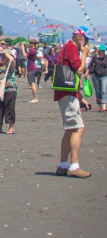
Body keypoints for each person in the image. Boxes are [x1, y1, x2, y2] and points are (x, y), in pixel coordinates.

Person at [54, 28, 92, 178]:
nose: (87, 43)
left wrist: (80, 97)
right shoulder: (71, 48)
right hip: (67, 94)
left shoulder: (67, 47)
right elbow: (78, 70)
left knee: (70, 129)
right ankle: (74, 166)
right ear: (79, 38)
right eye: (86, 40)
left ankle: (63, 165)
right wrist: (85, 55)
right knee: (77, 128)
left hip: (66, 92)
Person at [88, 44, 107, 112]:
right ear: (99, 50)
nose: (102, 52)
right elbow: (89, 65)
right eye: (101, 50)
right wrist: (87, 73)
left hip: (104, 76)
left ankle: (104, 107)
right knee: (98, 91)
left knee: (103, 91)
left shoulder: (106, 57)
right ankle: (100, 106)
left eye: (103, 51)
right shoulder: (95, 57)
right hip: (95, 76)